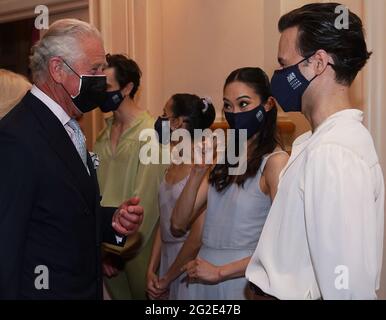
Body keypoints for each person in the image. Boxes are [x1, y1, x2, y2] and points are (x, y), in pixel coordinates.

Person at [246, 3, 384, 300]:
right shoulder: (320, 143)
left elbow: (346, 287)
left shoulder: (332, 153)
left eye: (283, 64)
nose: (279, 75)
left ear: (318, 63)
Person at [0, 19, 144, 299]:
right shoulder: (16, 137)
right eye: (95, 69)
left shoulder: (68, 125)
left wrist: (111, 219)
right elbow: (6, 244)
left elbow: (61, 210)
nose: (102, 78)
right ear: (57, 69)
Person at [169, 68, 289, 300]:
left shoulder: (275, 162)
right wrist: (197, 173)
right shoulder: (224, 158)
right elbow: (177, 223)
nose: (234, 113)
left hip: (239, 280)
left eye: (243, 104)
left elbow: (282, 244)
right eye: (228, 106)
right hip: (201, 275)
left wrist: (220, 272)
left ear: (267, 104)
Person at [94, 54, 166, 299]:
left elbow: (146, 200)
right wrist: (104, 249)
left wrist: (118, 251)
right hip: (106, 247)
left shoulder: (152, 132)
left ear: (127, 88)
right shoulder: (102, 135)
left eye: (107, 87)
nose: (100, 92)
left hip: (138, 247)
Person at [146, 94, 215, 300]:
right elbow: (164, 220)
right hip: (166, 261)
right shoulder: (174, 159)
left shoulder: (204, 166)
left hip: (188, 265)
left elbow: (196, 238)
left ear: (178, 122)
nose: (160, 121)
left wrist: (168, 277)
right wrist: (152, 269)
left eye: (164, 115)